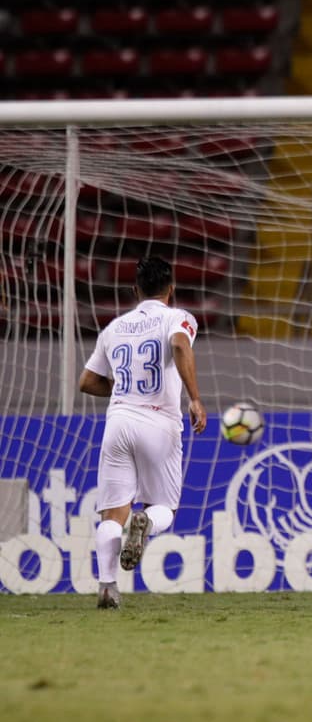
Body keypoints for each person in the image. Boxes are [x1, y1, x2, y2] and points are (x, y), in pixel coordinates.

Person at [79, 255, 207, 609]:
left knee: (111, 514)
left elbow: (86, 382)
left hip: (118, 420)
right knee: (164, 507)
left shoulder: (114, 328)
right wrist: (195, 399)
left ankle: (107, 586)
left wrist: (122, 385)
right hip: (159, 422)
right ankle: (145, 522)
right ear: (172, 289)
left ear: (135, 290)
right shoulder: (177, 317)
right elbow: (180, 345)